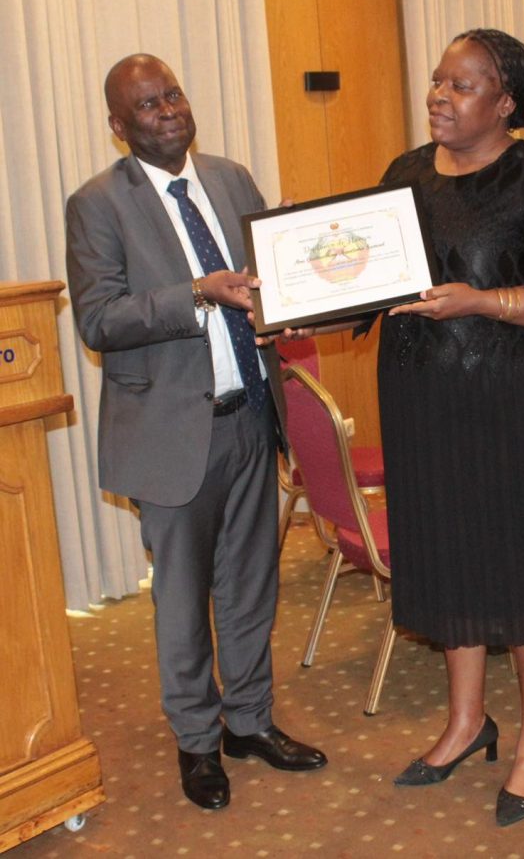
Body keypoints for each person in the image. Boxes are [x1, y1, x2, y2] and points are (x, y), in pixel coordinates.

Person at [65, 54, 326, 812]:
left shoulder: (232, 179)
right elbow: (99, 319)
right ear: (119, 126)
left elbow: (260, 290)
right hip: (170, 434)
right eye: (147, 105)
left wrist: (290, 287)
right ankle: (197, 741)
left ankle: (249, 722)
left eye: (173, 94)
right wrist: (195, 294)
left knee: (250, 586)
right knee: (182, 601)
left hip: (250, 415)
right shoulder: (98, 204)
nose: (168, 110)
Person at [374, 29, 524, 828]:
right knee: (450, 559)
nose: (440, 95)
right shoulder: (404, 173)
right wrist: (302, 299)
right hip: (423, 402)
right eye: (438, 81)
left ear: (506, 103)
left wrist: (481, 302)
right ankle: (467, 722)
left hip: (511, 402)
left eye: (462, 85)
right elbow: (374, 273)